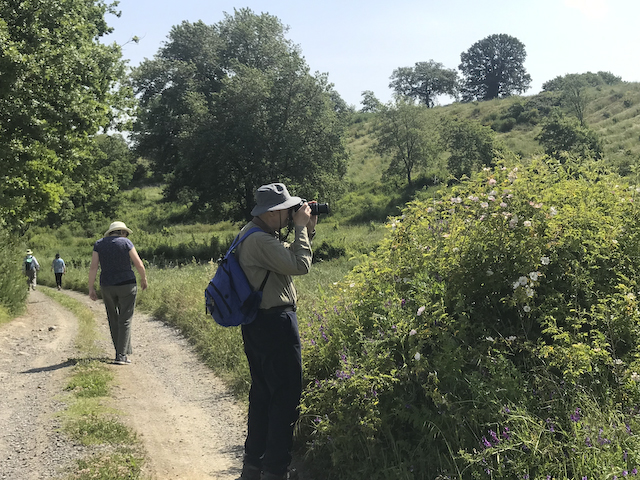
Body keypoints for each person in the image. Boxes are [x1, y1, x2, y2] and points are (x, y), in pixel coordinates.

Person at [236, 183, 316, 480]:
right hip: (275, 325)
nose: (291, 214)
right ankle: (275, 471)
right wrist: (300, 228)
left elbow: (288, 261)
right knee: (285, 397)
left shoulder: (254, 233)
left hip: (259, 324)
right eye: (287, 210)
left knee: (263, 394)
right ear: (272, 213)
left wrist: (307, 230)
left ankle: (254, 466)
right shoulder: (260, 241)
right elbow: (300, 266)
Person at [88, 221, 148, 365]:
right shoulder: (126, 243)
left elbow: (93, 267)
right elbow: (138, 263)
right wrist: (144, 279)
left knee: (113, 318)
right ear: (121, 232)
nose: (126, 235)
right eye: (125, 233)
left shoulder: (99, 244)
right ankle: (121, 355)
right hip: (127, 284)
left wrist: (91, 288)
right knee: (125, 319)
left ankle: (121, 352)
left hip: (107, 285)